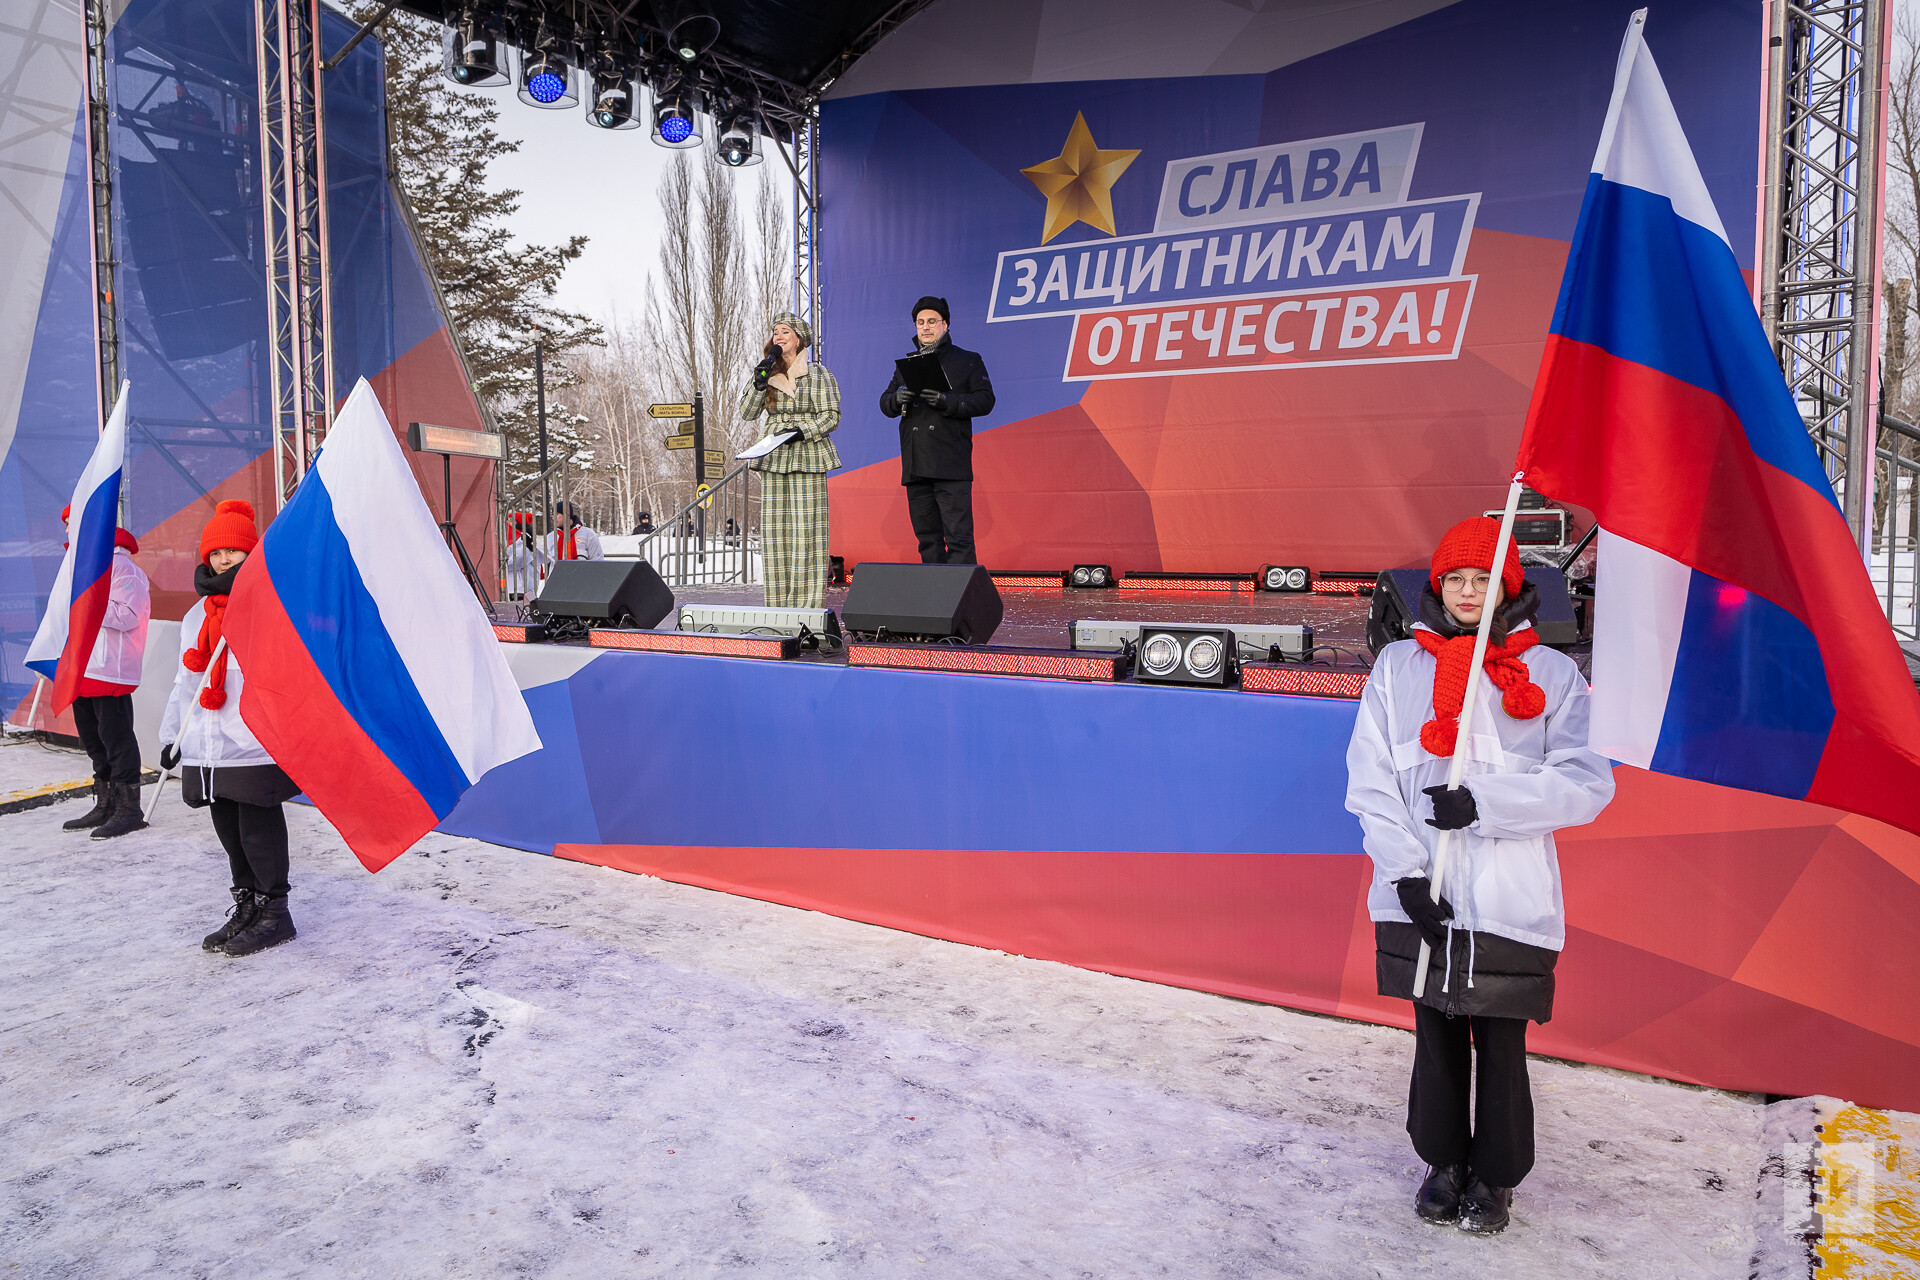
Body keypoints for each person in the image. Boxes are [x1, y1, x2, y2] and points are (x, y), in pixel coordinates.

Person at [1344, 516, 1614, 1235]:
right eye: (1456, 579)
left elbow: (1587, 783)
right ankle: (1443, 1162)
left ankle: (1494, 1177)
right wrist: (1403, 874)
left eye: (1482, 579)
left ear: (1509, 588)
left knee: (1500, 1041)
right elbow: (1369, 779)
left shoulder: (1553, 675)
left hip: (1507, 895)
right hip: (1421, 888)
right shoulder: (1398, 668)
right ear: (1438, 586)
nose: (1468, 592)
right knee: (1433, 1035)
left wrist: (1486, 804)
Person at [158, 499, 301, 958]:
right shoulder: (196, 616)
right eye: (216, 553)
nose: (223, 560)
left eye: (233, 553)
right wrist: (170, 734)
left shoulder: (266, 601)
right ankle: (247, 906)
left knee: (257, 825)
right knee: (227, 826)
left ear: (250, 553)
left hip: (250, 735)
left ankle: (276, 912)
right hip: (206, 739)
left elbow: (285, 668)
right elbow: (186, 679)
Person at [55, 503, 152, 839]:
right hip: (81, 666)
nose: (67, 530)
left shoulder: (122, 566)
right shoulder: (75, 564)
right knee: (94, 740)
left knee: (117, 739)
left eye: (73, 522)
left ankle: (129, 809)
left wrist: (87, 600)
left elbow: (128, 616)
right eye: (65, 523)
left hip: (109, 668)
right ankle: (106, 803)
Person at [878, 296, 995, 564]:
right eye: (920, 322)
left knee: (959, 539)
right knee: (928, 540)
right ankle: (934, 603)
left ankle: (963, 603)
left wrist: (947, 401)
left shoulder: (967, 360)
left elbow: (986, 400)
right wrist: (898, 398)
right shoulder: (906, 365)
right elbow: (885, 403)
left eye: (932, 321)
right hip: (916, 464)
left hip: (950, 464)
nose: (926, 327)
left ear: (945, 325)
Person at [741, 311, 842, 608]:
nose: (779, 336)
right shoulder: (766, 372)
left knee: (807, 532)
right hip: (773, 454)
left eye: (785, 331)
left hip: (808, 453)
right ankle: (777, 609)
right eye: (776, 332)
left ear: (799, 339)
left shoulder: (819, 374)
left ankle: (808, 610)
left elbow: (831, 416)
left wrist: (803, 431)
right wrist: (759, 384)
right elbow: (746, 413)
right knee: (775, 534)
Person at [504, 511, 546, 598]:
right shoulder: (512, 541)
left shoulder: (525, 542)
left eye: (511, 521)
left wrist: (501, 564)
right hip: (517, 588)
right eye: (507, 520)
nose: (508, 524)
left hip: (521, 589)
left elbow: (515, 563)